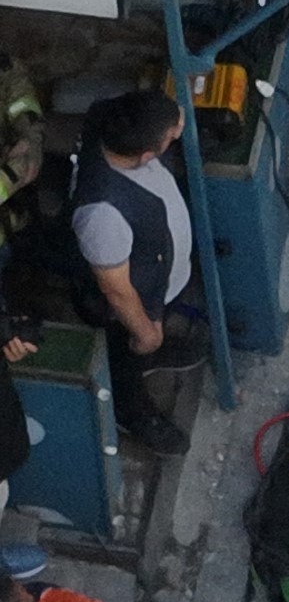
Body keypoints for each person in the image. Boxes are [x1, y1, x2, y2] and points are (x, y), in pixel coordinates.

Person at [67, 87, 201, 444]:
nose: (178, 133)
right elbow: (116, 289)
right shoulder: (102, 214)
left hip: (159, 276)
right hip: (129, 304)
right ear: (145, 156)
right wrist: (144, 330)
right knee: (127, 355)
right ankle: (131, 412)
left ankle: (153, 351)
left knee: (146, 341)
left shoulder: (106, 116)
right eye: (171, 137)